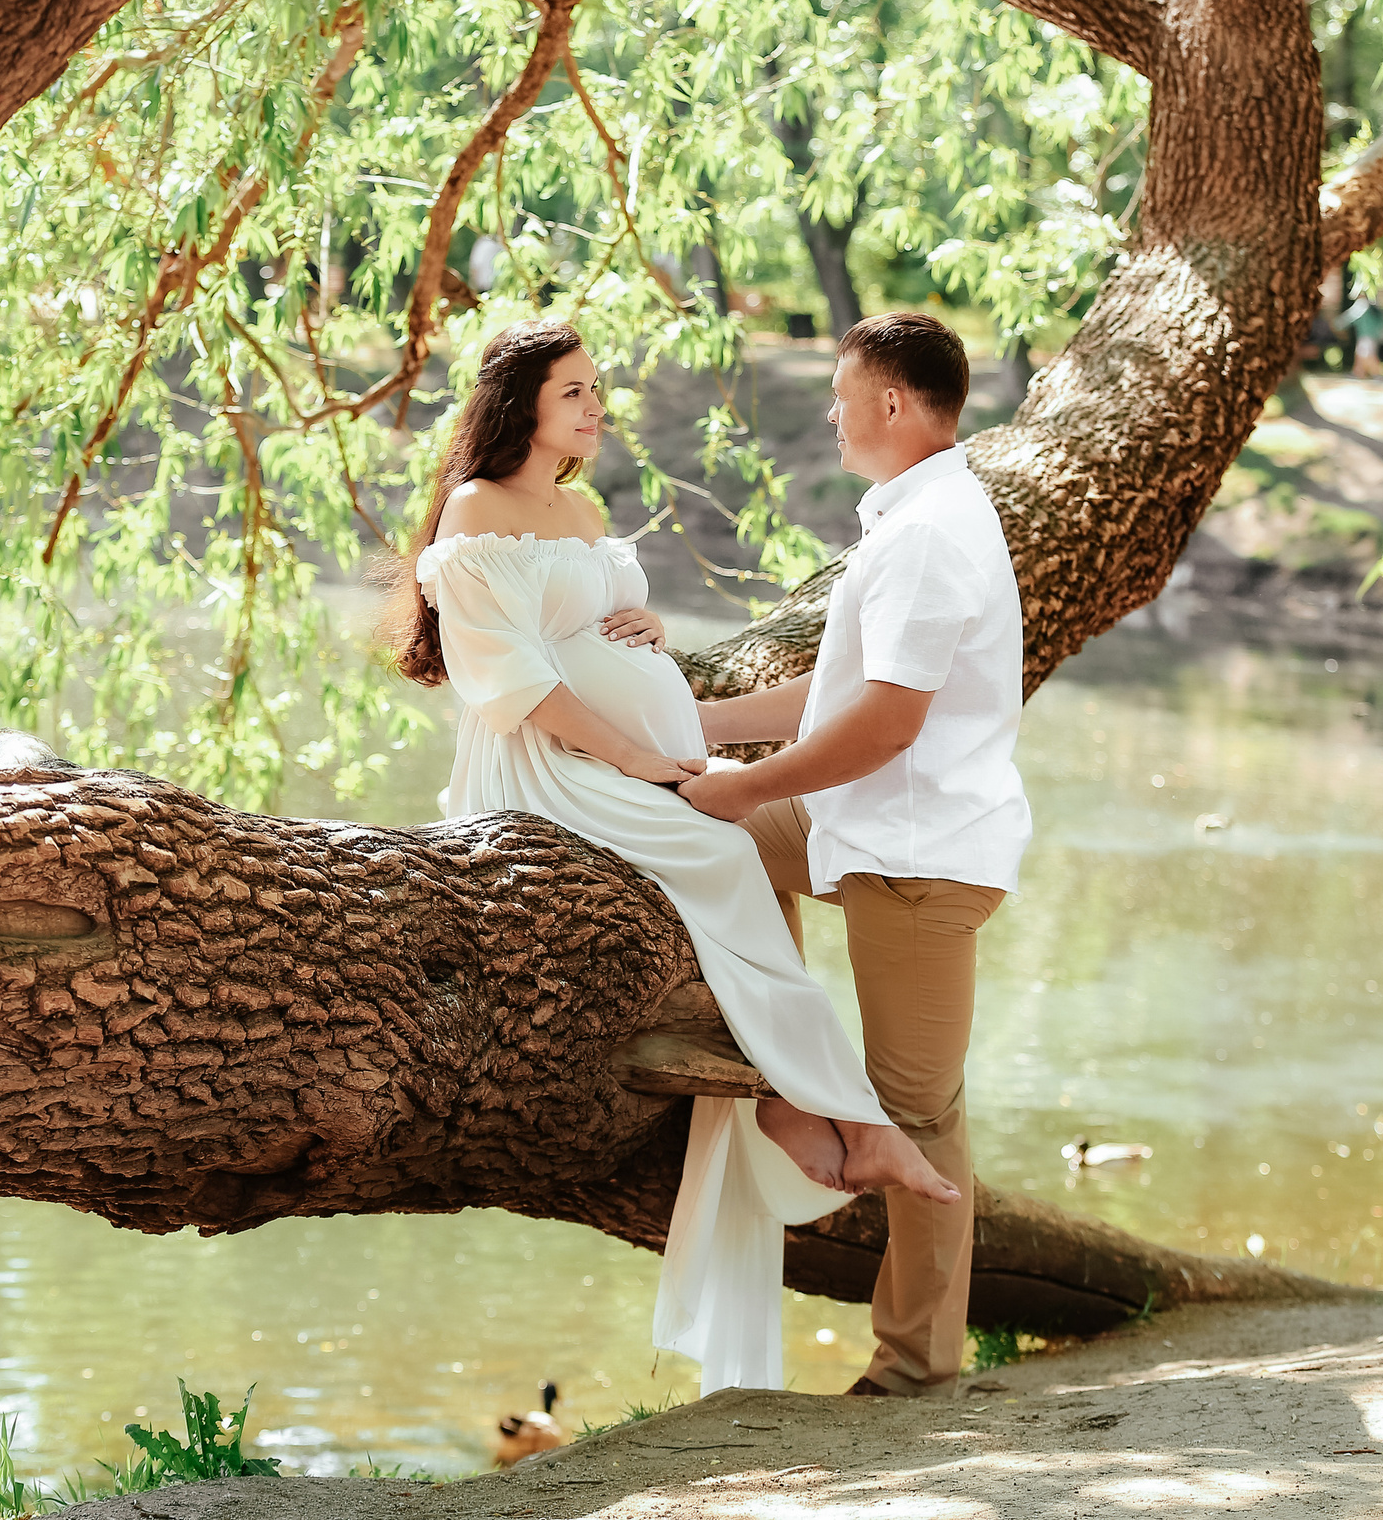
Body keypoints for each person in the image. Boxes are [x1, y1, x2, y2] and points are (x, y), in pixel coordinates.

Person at [387, 318, 958, 1396]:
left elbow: (589, 626)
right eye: (573, 392)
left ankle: (795, 1106)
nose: (595, 407)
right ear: (519, 404)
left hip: (625, 753)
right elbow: (514, 680)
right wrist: (641, 756)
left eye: (597, 390)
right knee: (726, 858)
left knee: (725, 854)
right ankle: (849, 1118)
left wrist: (642, 623)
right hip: (542, 767)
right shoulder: (475, 511)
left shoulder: (579, 507)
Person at [682, 311, 1030, 1400]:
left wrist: (743, 781)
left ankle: (916, 1365)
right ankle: (790, 1084)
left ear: (890, 405)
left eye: (841, 396)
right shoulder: (908, 519)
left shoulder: (932, 534)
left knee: (923, 1116)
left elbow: (883, 727)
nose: (830, 414)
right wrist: (697, 727)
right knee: (693, 839)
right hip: (860, 827)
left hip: (921, 857)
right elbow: (836, 696)